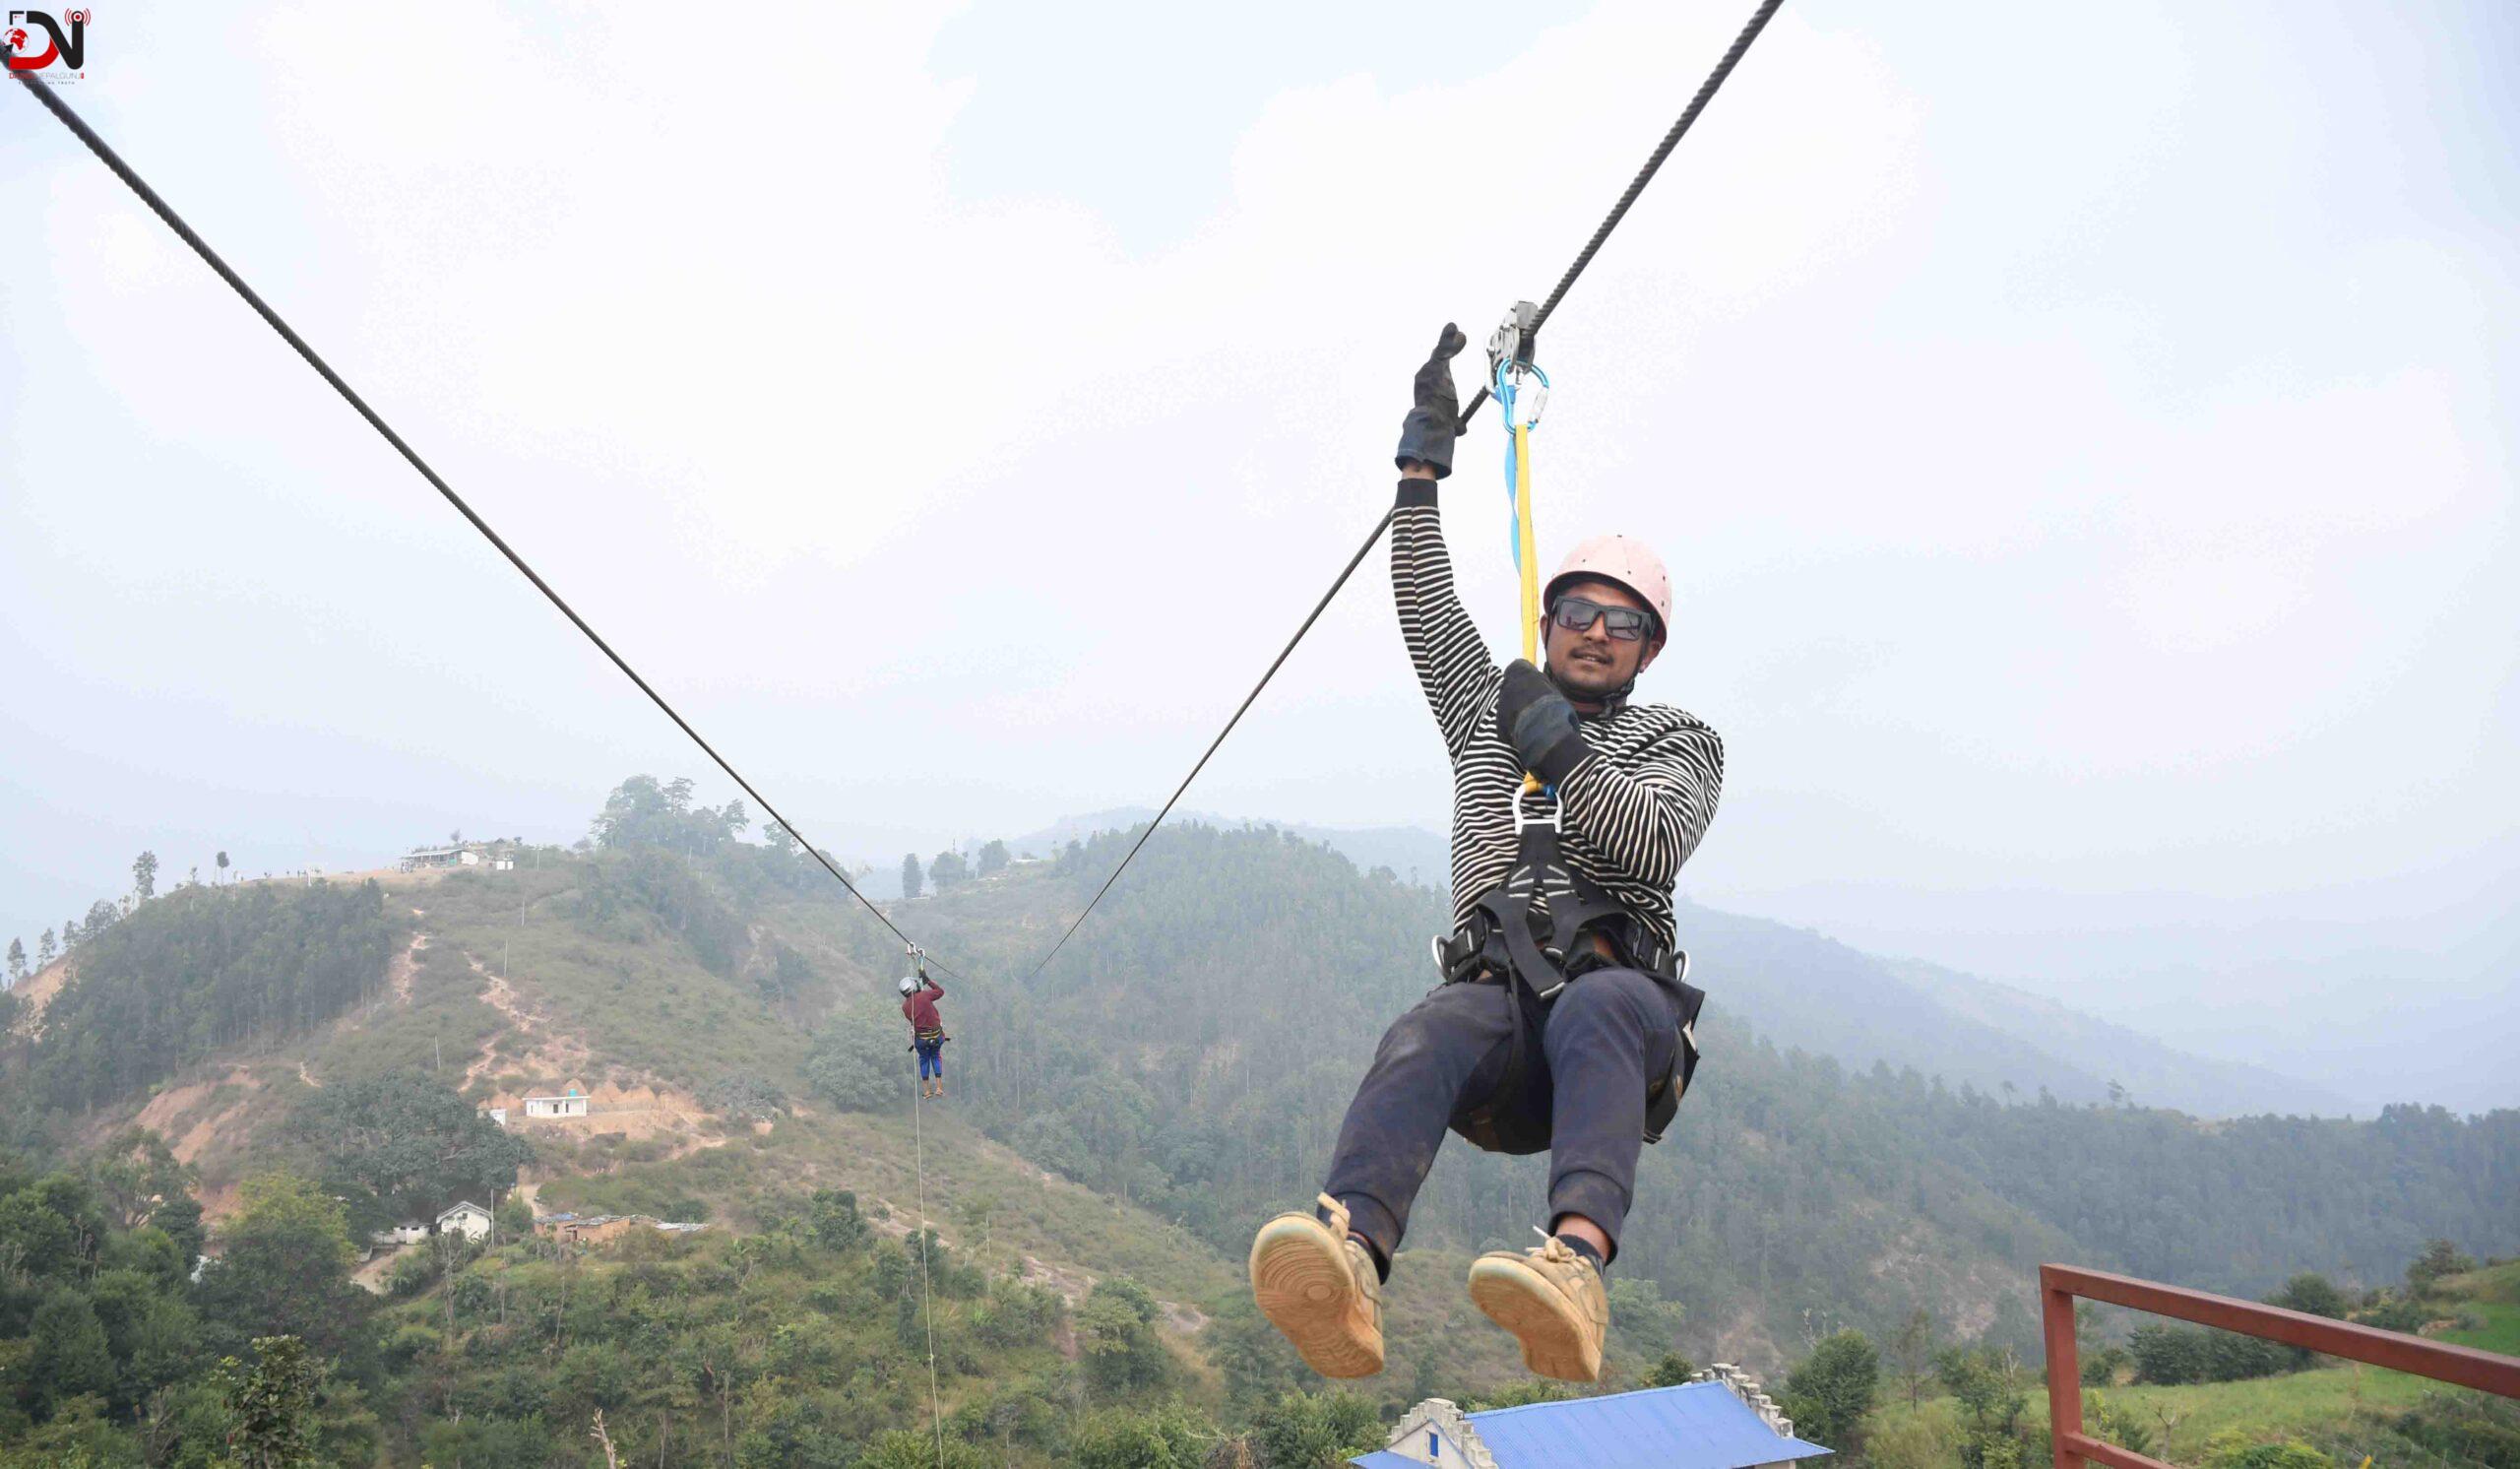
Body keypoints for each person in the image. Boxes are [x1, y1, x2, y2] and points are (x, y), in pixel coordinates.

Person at [1246, 324, 1724, 1383]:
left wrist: (1554, 746)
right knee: (1427, 1027)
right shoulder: (1483, 713)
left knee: (1599, 1004)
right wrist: (1420, 467)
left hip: (1614, 1021)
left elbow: (1650, 837)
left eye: (1622, 623)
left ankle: (1576, 1268)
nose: (1595, 631)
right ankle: (1352, 1258)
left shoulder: (1681, 741)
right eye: (1578, 611)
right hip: (1500, 1024)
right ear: (1548, 618)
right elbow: (1425, 606)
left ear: (1647, 651)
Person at [900, 967, 948, 1099]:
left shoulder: (905, 1007)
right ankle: (939, 1088)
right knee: (936, 1055)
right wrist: (928, 981)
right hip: (937, 1036)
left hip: (922, 1040)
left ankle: (927, 1091)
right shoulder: (925, 995)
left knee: (924, 1059)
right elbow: (940, 992)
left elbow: (913, 1018)